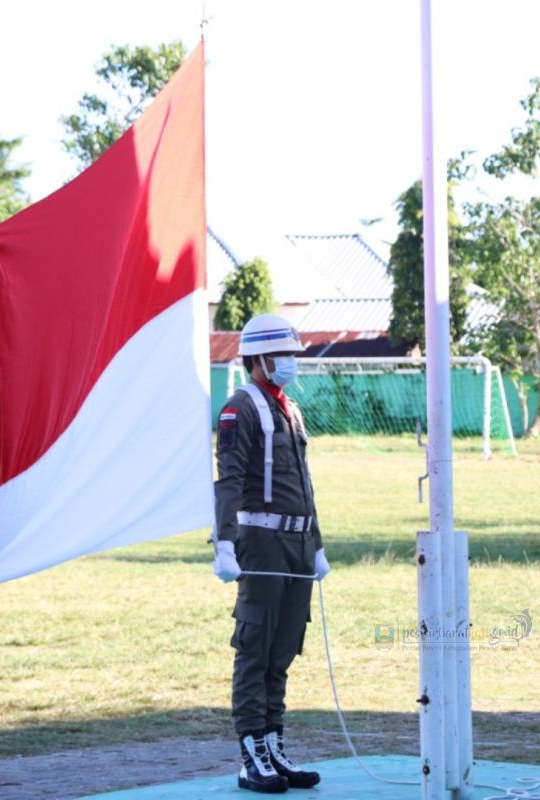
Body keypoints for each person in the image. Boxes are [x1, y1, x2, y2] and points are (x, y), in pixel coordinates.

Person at [212, 313, 330, 794]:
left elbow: (303, 484)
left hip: (297, 545)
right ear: (258, 359)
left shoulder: (290, 409)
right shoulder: (240, 408)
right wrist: (223, 543)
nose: (290, 363)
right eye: (284, 355)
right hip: (261, 545)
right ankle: (251, 752)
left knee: (282, 650)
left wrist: (316, 545)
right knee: (254, 648)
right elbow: (229, 480)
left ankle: (273, 741)